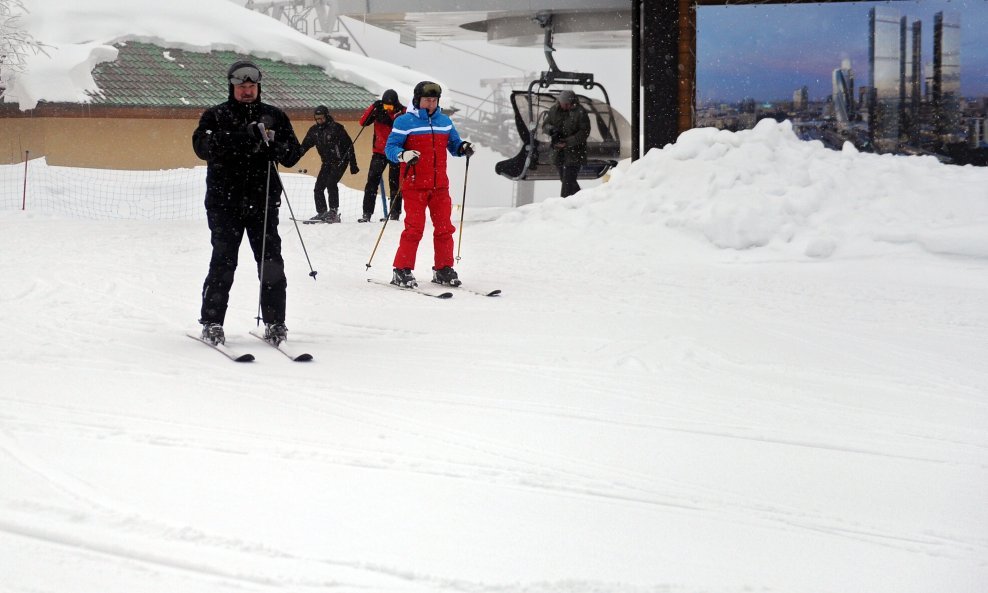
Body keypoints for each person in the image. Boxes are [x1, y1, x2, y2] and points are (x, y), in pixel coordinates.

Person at [192, 60, 303, 345]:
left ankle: (276, 323)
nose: (247, 91)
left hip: (263, 203)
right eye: (241, 86)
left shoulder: (274, 115)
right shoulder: (215, 116)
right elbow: (202, 147)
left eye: (251, 86)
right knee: (223, 263)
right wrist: (243, 137)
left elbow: (292, 154)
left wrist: (275, 147)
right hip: (224, 203)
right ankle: (212, 322)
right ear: (232, 87)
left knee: (271, 264)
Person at [384, 80, 473, 288]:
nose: (431, 104)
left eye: (434, 100)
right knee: (414, 228)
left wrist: (463, 148)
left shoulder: (444, 121)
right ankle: (402, 269)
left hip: (439, 185)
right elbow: (390, 148)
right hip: (414, 184)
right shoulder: (404, 122)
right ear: (417, 100)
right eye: (427, 100)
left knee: (444, 228)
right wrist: (402, 154)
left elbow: (453, 145)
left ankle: (443, 268)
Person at [300, 105, 359, 223]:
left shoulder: (337, 128)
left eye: (321, 118)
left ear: (327, 116)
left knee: (331, 183)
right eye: (317, 119)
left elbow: (349, 146)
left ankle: (333, 212)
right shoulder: (314, 131)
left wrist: (353, 164)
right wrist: (294, 155)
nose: (319, 121)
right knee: (318, 187)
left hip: (340, 161)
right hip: (326, 162)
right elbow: (304, 146)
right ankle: (321, 212)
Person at [357, 89, 405, 222]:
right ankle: (367, 214)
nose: (388, 108)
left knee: (395, 184)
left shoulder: (402, 112)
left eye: (390, 106)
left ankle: (394, 214)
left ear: (395, 104)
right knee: (371, 183)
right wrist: (374, 107)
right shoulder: (377, 110)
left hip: (396, 153)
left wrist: (392, 117)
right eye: (385, 105)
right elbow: (363, 122)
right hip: (379, 152)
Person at [542, 89, 590, 198]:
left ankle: (563, 204)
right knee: (565, 179)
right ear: (560, 102)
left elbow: (584, 132)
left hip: (575, 153)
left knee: (567, 183)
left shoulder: (580, 112)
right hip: (559, 153)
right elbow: (545, 126)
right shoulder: (554, 111)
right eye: (565, 104)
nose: (567, 106)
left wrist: (567, 142)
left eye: (569, 104)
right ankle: (583, 199)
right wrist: (552, 131)